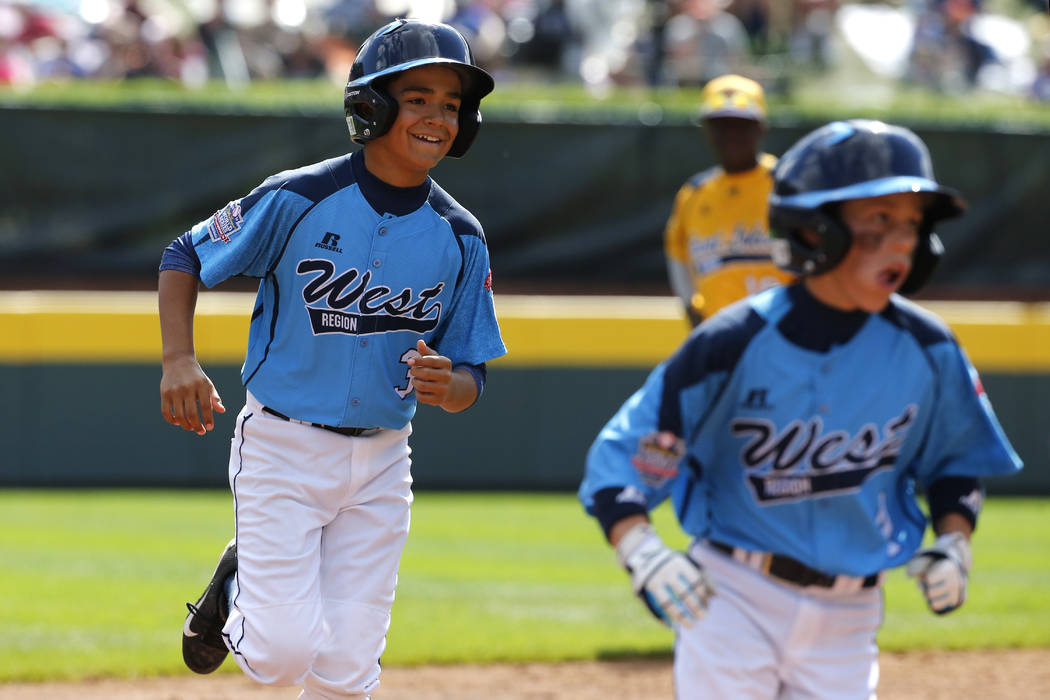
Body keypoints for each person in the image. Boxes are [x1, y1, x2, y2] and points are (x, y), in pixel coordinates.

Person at [579, 119, 1022, 699]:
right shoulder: (732, 341)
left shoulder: (930, 349)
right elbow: (624, 460)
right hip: (733, 594)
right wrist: (642, 550)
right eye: (880, 220)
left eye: (912, 224)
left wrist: (955, 541)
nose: (903, 242)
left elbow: (954, 463)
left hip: (852, 614)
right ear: (816, 231)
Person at [157, 18, 505, 699]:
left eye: (452, 104)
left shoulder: (462, 236)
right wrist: (178, 360)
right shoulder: (300, 197)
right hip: (283, 445)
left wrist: (451, 386)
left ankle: (252, 586)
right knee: (284, 656)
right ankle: (235, 586)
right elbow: (186, 254)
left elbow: (473, 375)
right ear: (368, 106)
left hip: (381, 461)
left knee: (347, 670)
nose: (438, 115)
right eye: (419, 97)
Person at [663, 73, 793, 327]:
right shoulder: (694, 193)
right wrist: (690, 304)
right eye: (722, 126)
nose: (731, 135)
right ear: (707, 132)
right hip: (718, 337)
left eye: (740, 125)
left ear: (761, 128)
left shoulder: (787, 184)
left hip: (782, 332)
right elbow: (676, 250)